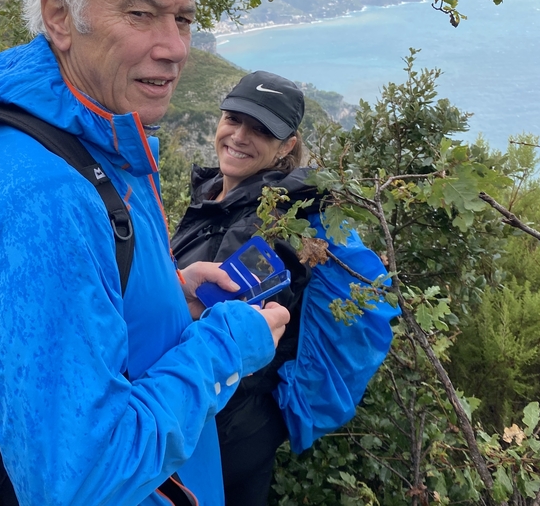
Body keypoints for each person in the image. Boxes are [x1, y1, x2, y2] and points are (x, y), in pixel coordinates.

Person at [0, 0, 290, 505]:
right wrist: (228, 344)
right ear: (59, 14)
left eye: (181, 19)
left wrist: (165, 292)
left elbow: (72, 312)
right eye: (141, 13)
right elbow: (78, 483)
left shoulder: (66, 134)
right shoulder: (45, 195)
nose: (176, 47)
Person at [171, 71, 399, 506]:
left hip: (219, 433)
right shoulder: (221, 195)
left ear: (287, 145)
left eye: (261, 130)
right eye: (233, 119)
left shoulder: (271, 226)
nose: (239, 136)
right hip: (236, 426)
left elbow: (201, 326)